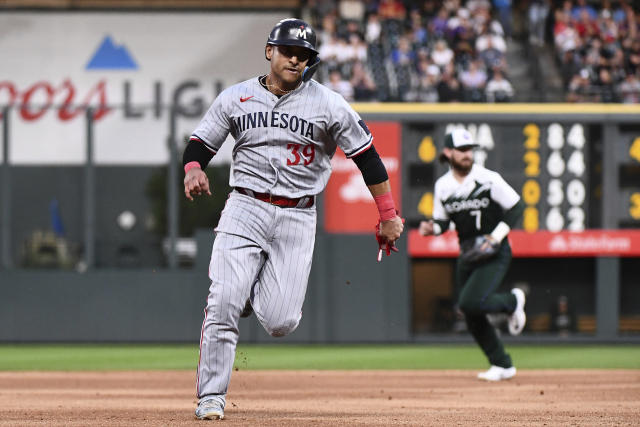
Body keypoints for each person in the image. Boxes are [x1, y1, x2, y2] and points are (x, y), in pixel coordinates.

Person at [182, 18, 404, 420]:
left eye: (303, 55)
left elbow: (368, 157)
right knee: (223, 302)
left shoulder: (329, 104)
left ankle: (249, 293)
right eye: (288, 52)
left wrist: (388, 214)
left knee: (281, 321)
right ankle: (211, 397)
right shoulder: (236, 98)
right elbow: (200, 143)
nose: (295, 60)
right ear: (270, 51)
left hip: (297, 215)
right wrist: (193, 168)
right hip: (245, 207)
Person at [418, 129, 526, 382]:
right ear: (448, 153)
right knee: (470, 311)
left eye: (470, 150)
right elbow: (443, 223)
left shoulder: (488, 178)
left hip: (493, 249)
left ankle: (512, 301)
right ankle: (502, 364)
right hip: (467, 252)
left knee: (470, 303)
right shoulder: (442, 186)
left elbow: (516, 206)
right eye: (462, 150)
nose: (468, 155)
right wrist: (431, 228)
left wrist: (497, 236)